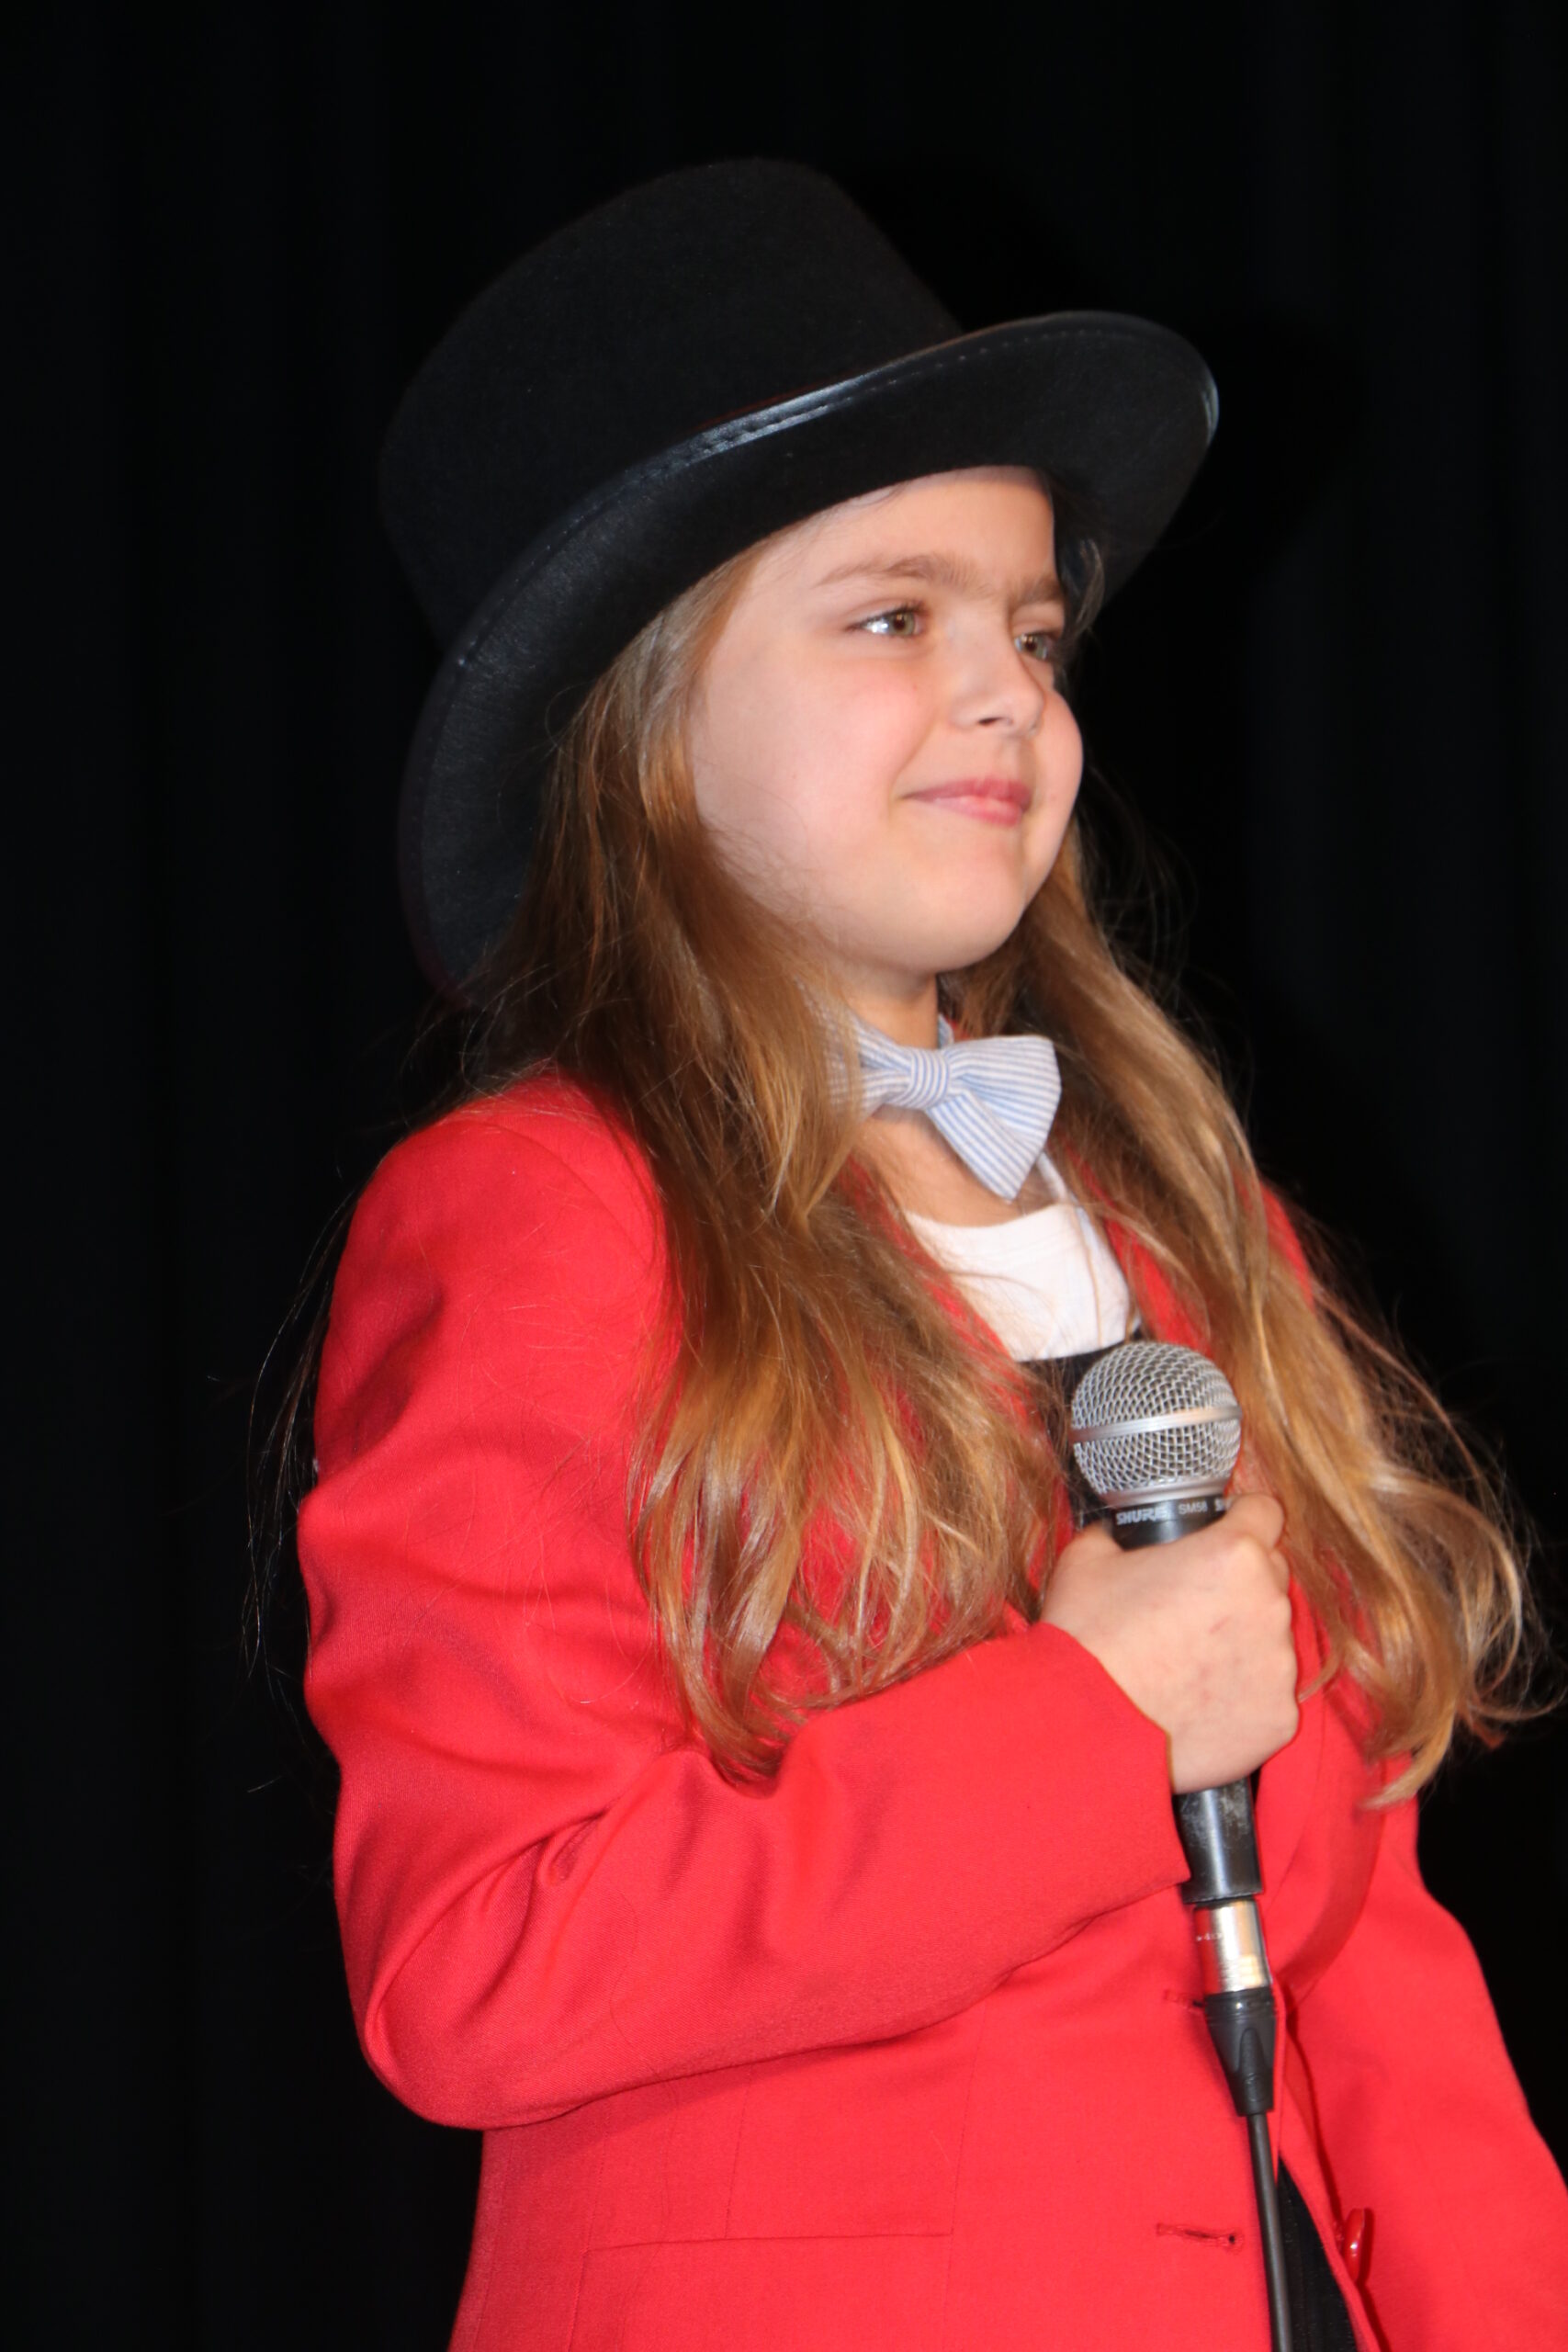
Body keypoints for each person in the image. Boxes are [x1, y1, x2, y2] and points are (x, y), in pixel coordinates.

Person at [292, 162, 1568, 2350]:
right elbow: (476, 1954)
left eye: (1033, 634)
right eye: (894, 618)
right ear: (645, 725)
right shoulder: (540, 1204)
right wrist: (1085, 1722)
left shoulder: (1187, 1229)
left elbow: (1364, 1943)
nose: (1005, 695)